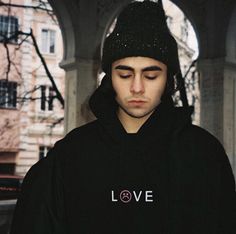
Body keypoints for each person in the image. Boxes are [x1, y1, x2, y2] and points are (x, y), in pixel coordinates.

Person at [10, 1, 236, 234]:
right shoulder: (70, 155)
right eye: (125, 74)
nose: (136, 87)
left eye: (150, 75)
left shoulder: (204, 155)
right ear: (109, 78)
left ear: (169, 80)